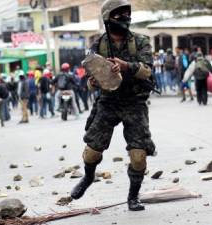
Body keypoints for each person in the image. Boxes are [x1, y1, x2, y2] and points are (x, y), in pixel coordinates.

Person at [70, 0, 156, 211]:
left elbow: (148, 70)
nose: (125, 18)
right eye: (120, 14)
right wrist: (92, 82)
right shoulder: (97, 46)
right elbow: (91, 78)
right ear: (108, 19)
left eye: (127, 13)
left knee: (138, 155)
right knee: (91, 152)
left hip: (134, 103)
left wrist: (127, 66)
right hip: (108, 102)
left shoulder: (141, 41)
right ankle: (88, 177)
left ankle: (133, 197)